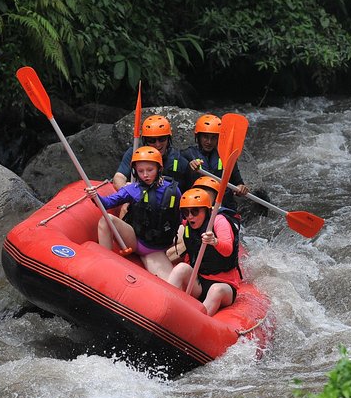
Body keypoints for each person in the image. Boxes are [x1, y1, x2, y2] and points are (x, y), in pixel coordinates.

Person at [86, 146, 181, 280]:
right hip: (135, 240)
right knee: (107, 219)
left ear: (159, 169)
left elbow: (179, 217)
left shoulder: (173, 191)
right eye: (140, 171)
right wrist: (95, 196)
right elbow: (107, 203)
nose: (145, 175)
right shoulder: (132, 189)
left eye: (150, 170)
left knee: (171, 283)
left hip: (156, 249)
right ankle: (105, 264)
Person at [167, 188, 242, 316]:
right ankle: (165, 305)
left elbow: (228, 251)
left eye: (195, 211)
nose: (190, 216)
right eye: (186, 212)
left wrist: (214, 241)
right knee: (181, 268)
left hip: (225, 285)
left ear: (206, 210)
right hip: (200, 281)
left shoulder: (219, 221)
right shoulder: (187, 224)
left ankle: (193, 321)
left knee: (215, 290)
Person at [181, 114, 249, 211]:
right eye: (205, 137)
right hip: (197, 210)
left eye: (214, 137)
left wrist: (241, 188)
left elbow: (238, 183)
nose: (209, 141)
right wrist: (189, 167)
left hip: (223, 208)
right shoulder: (186, 155)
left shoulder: (228, 156)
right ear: (198, 136)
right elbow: (178, 183)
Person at [113, 115, 190, 192]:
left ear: (168, 139)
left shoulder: (178, 159)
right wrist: (127, 192)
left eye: (162, 139)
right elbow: (119, 177)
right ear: (145, 141)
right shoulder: (134, 152)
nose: (157, 144)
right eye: (151, 140)